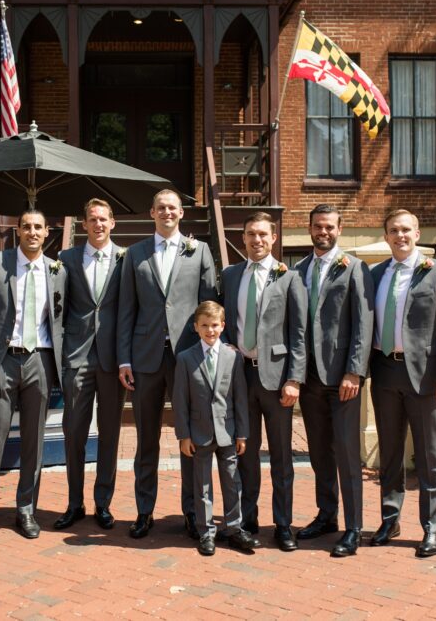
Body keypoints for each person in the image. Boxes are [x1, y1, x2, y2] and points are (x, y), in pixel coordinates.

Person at [117, 188, 218, 540]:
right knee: (147, 439)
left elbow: (209, 305)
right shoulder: (135, 254)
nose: (167, 213)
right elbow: (126, 309)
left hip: (187, 357)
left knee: (190, 436)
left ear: (181, 213)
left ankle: (192, 511)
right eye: (160, 208)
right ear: (152, 213)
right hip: (145, 358)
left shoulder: (199, 251)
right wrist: (124, 358)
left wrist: (208, 353)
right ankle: (144, 511)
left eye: (172, 207)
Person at [369, 209, 436, 558]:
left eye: (406, 229)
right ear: (386, 236)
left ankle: (432, 527)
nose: (400, 236)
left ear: (417, 233)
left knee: (429, 455)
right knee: (390, 453)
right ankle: (390, 519)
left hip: (425, 377)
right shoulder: (375, 274)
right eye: (394, 230)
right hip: (384, 372)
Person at [0, 209, 66, 541]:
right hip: (4, 360)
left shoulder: (58, 270)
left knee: (34, 439)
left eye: (38, 227)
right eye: (26, 226)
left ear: (47, 232)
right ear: (17, 230)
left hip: (40, 359)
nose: (32, 232)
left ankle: (26, 509)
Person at [220, 212, 307, 552]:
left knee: (282, 456)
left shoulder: (289, 277)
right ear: (243, 238)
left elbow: (298, 333)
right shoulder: (230, 276)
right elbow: (221, 318)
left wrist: (294, 379)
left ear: (273, 238)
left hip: (277, 379)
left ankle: (283, 524)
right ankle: (248, 519)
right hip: (241, 376)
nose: (256, 240)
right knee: (245, 452)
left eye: (262, 234)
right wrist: (225, 343)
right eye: (250, 234)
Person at [294, 204, 374, 557]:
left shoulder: (354, 268)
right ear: (310, 228)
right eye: (317, 226)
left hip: (343, 377)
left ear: (339, 229)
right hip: (308, 377)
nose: (322, 232)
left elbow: (363, 324)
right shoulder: (298, 270)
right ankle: (327, 514)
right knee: (319, 453)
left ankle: (353, 527)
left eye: (329, 226)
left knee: (346, 453)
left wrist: (354, 370)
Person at [54, 199, 127, 530]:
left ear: (112, 223)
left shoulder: (126, 258)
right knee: (74, 433)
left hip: (112, 359)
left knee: (110, 432)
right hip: (77, 356)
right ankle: (74, 503)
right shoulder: (66, 258)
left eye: (103, 219)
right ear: (84, 224)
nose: (98, 224)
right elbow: (59, 308)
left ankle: (103, 503)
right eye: (92, 219)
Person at [173, 301, 259, 556]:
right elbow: (180, 401)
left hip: (228, 431)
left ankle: (234, 529)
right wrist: (183, 435)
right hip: (198, 432)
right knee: (202, 485)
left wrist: (242, 433)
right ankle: (206, 532)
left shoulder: (233, 357)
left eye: (214, 325)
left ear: (222, 326)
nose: (210, 330)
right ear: (196, 327)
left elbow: (240, 398)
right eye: (204, 326)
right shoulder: (185, 359)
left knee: (232, 482)